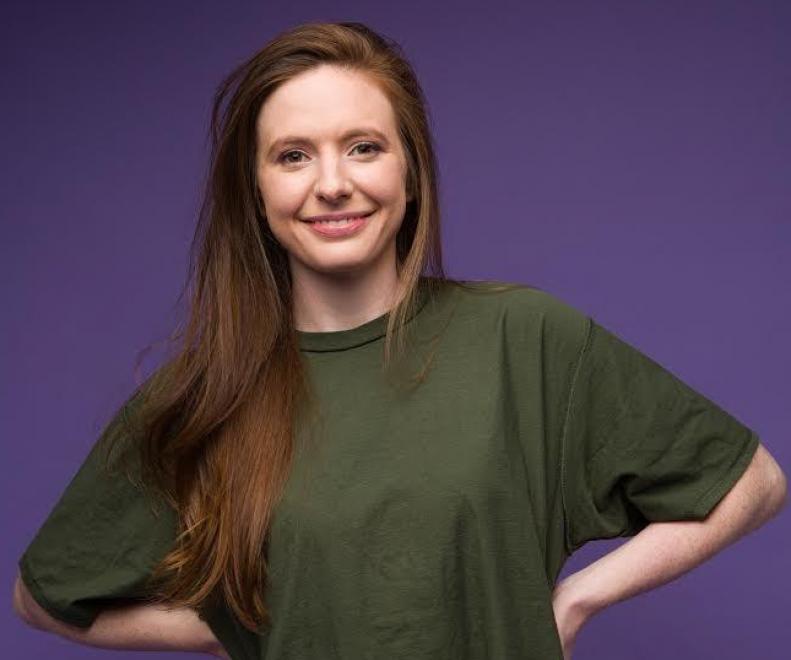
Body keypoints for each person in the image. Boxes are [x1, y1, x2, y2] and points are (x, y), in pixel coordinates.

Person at [12, 20, 787, 660]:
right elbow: (43, 597)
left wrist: (578, 597)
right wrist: (238, 629)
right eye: (292, 156)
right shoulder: (215, 390)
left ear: (411, 173)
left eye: (363, 147)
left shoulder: (522, 339)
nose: (331, 184)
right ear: (255, 191)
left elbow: (750, 483)